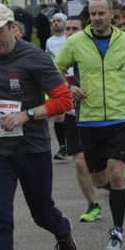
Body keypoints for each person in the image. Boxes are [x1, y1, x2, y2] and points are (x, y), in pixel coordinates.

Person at [0, 3, 77, 250]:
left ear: (13, 28)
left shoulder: (35, 57)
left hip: (33, 149)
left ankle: (63, 231)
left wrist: (26, 115)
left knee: (42, 213)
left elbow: (64, 101)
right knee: (1, 217)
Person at [55, 0, 125, 250]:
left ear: (113, 14)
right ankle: (116, 189)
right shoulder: (75, 42)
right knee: (100, 180)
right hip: (88, 120)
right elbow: (54, 69)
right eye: (93, 13)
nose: (97, 17)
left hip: (119, 117)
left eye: (101, 13)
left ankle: (117, 231)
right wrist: (68, 86)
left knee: (117, 173)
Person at [61, 15, 103, 223]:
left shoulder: (94, 49)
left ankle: (111, 178)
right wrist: (69, 89)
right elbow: (52, 77)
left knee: (101, 171)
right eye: (67, 28)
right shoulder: (59, 52)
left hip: (99, 113)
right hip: (72, 114)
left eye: (75, 28)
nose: (70, 32)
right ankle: (93, 204)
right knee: (79, 162)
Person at [46, 12, 69, 160]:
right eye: (53, 21)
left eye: (59, 20)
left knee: (74, 114)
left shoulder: (70, 38)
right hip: (57, 79)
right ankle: (63, 147)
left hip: (73, 79)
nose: (55, 23)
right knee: (58, 116)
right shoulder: (49, 41)